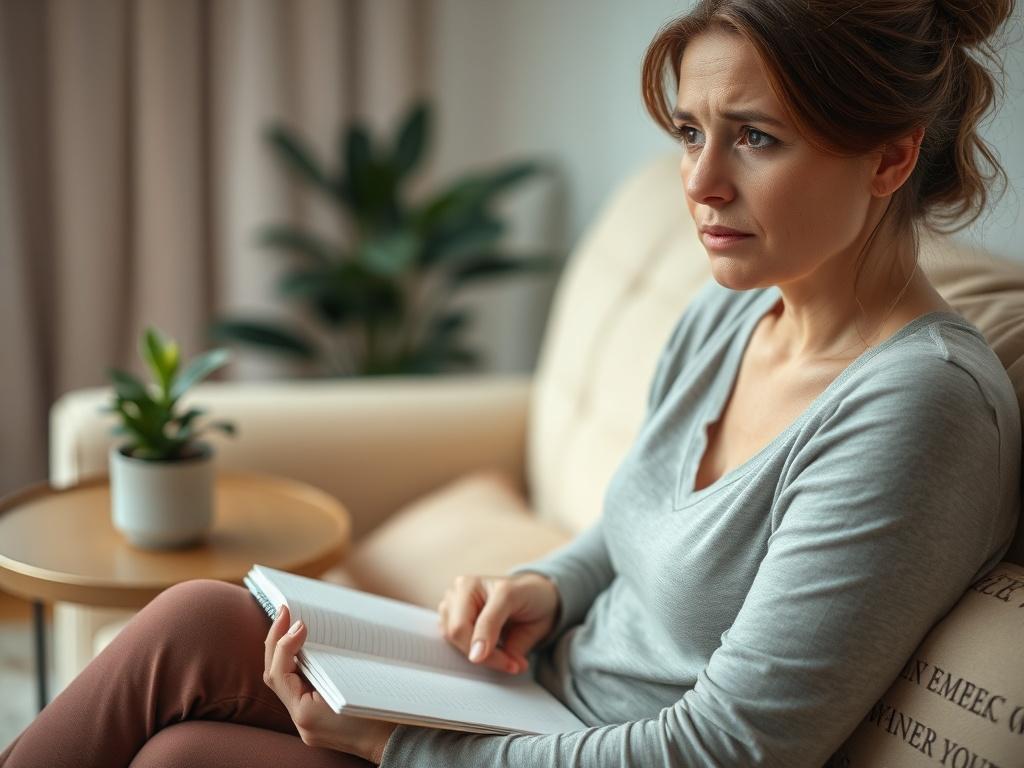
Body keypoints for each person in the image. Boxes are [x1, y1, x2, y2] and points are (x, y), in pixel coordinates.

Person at [3, 0, 1020, 765]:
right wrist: (549, 583)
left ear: (890, 158)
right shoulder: (735, 309)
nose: (701, 182)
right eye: (688, 130)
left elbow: (729, 748)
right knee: (197, 617)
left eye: (754, 137)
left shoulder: (917, 409)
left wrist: (397, 746)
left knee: (187, 760)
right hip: (526, 702)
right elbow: (636, 525)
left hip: (587, 748)